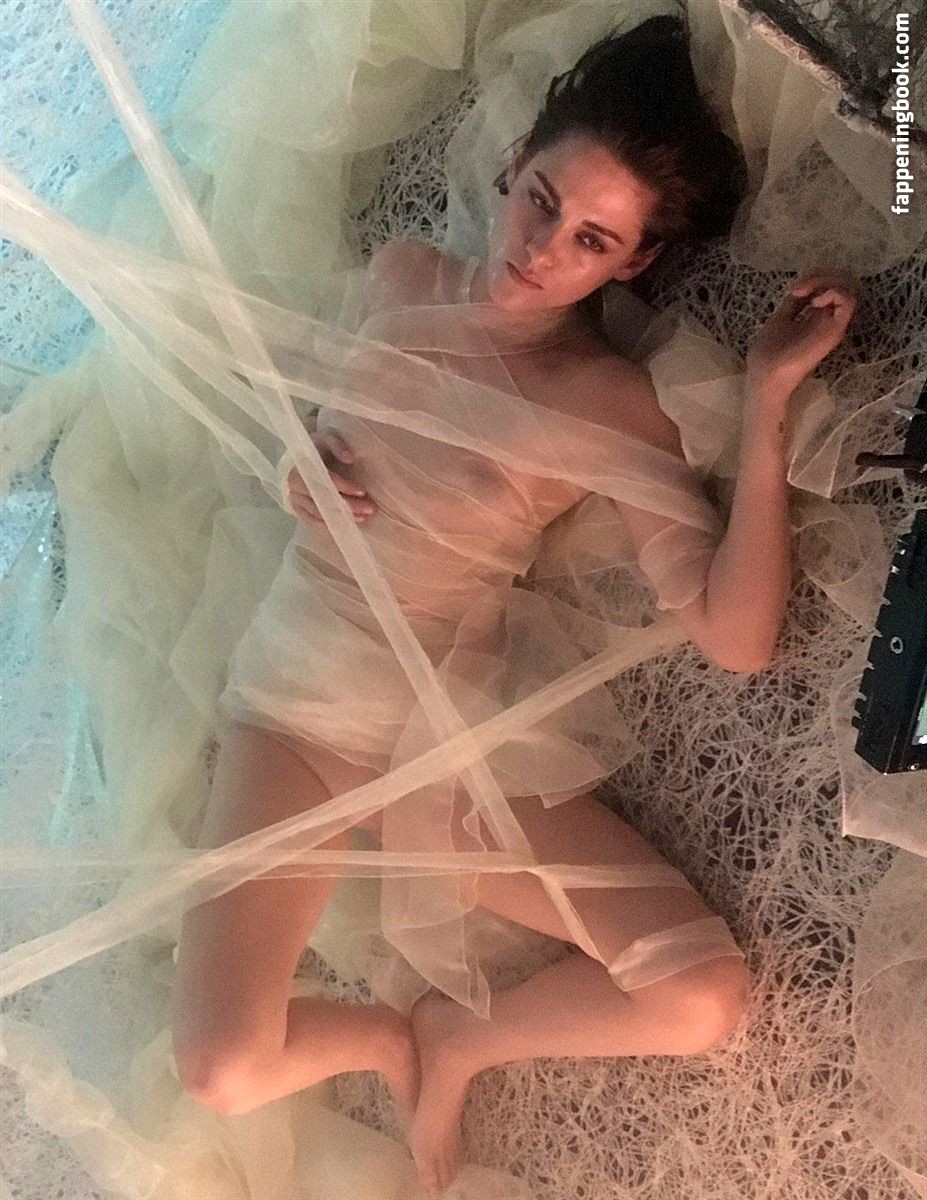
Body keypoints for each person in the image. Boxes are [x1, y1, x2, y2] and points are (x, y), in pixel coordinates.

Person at [167, 18, 859, 1197]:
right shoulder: (401, 278)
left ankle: (458, 1035)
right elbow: (320, 440)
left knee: (698, 997)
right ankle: (383, 1038)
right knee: (223, 1071)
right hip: (298, 706)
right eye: (541, 201)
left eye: (591, 239)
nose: (539, 250)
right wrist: (299, 470)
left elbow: (736, 638)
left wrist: (767, 402)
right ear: (515, 159)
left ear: (631, 263)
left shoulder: (605, 404)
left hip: (447, 753)